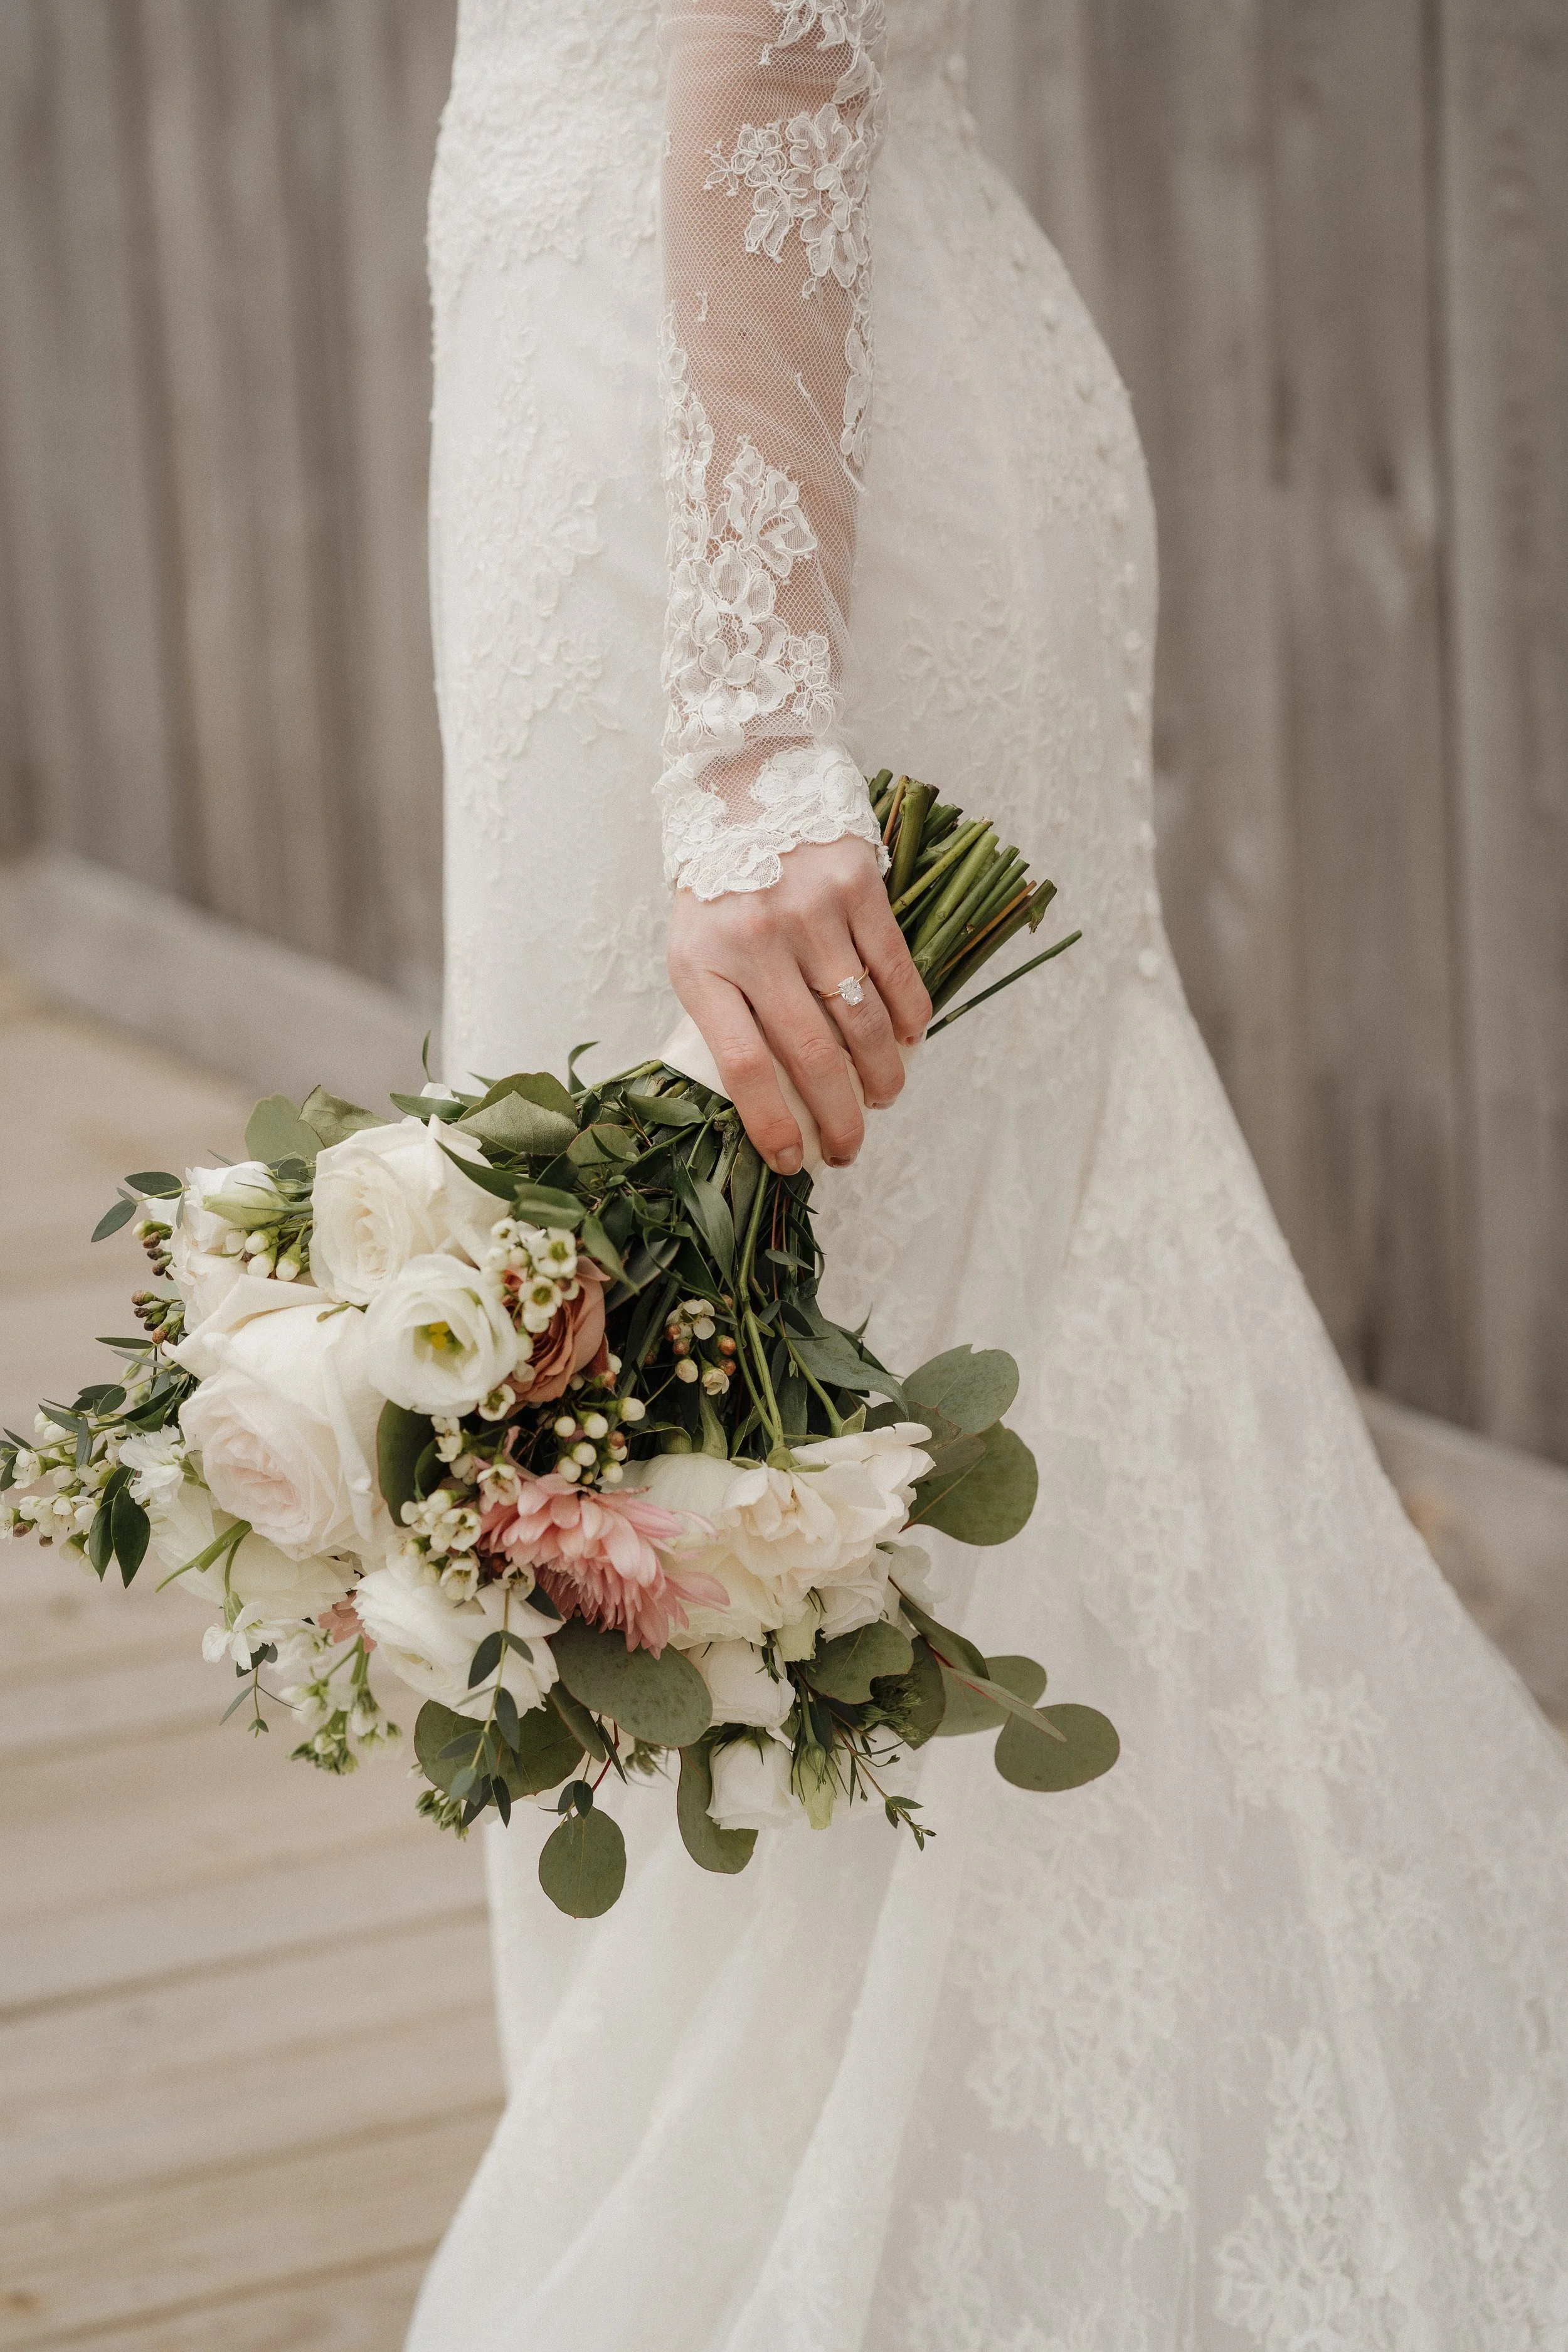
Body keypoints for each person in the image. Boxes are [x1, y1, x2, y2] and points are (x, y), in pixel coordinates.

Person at [413, 4, 1568, 2343]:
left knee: (799, 1431)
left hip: (754, 502)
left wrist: (748, 736)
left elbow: (775, 35)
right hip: (616, 434)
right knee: (638, 1404)